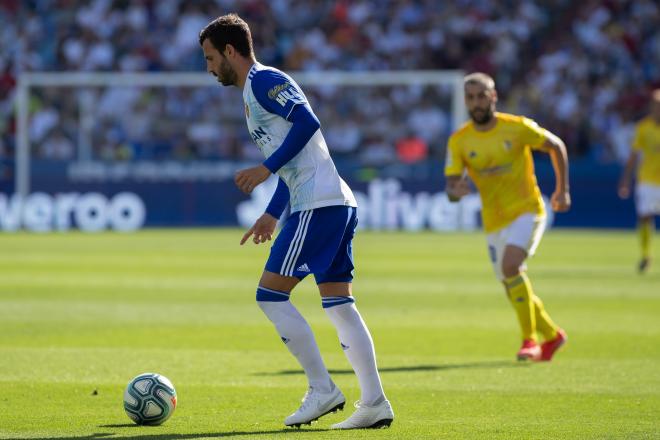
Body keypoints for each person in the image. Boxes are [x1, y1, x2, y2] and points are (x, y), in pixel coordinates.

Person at [199, 14, 393, 429]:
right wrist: (272, 212)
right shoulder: (253, 92)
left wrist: (265, 169)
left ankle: (322, 390)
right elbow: (298, 159)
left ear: (231, 51)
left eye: (212, 58)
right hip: (329, 201)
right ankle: (374, 402)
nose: (210, 67)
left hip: (318, 205)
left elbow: (308, 123)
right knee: (339, 304)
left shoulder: (265, 80)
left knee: (270, 296)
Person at [444, 72, 570, 362]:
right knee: (510, 282)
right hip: (494, 219)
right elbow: (451, 187)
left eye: (481, 96)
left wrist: (562, 191)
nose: (476, 102)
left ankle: (530, 341)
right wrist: (456, 190)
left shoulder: (517, 128)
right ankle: (552, 335)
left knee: (511, 266)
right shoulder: (460, 141)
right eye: (471, 97)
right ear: (465, 101)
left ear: (493, 97)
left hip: (528, 209)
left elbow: (557, 146)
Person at [618, 89, 660, 274]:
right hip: (647, 180)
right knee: (645, 217)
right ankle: (645, 255)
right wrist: (625, 180)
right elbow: (633, 156)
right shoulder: (643, 128)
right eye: (655, 105)